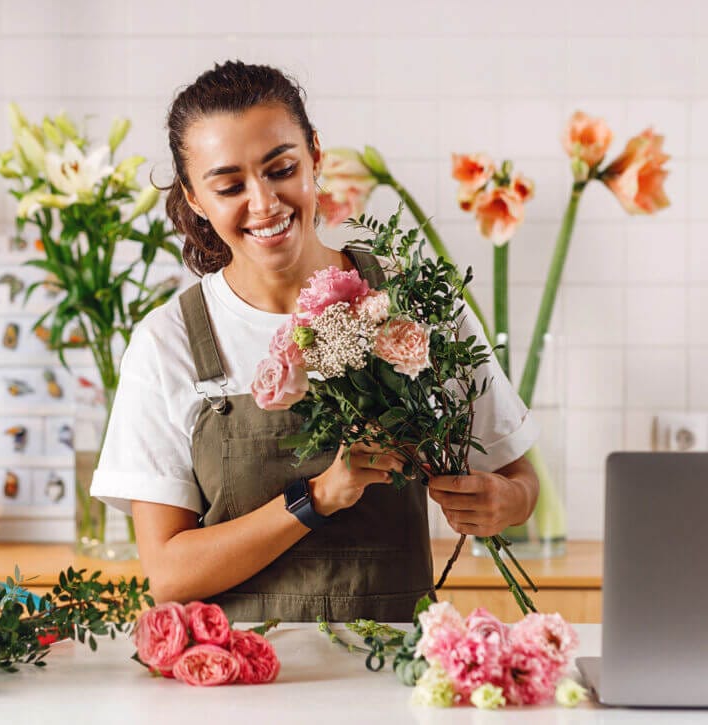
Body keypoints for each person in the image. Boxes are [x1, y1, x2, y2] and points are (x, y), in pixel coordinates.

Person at [90, 61, 539, 622]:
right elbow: (168, 575)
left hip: (394, 677)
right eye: (229, 186)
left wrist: (502, 503)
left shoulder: (415, 302)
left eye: (281, 169)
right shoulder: (169, 340)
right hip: (239, 685)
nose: (264, 202)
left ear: (316, 157)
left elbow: (520, 480)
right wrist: (319, 497)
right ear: (195, 199)